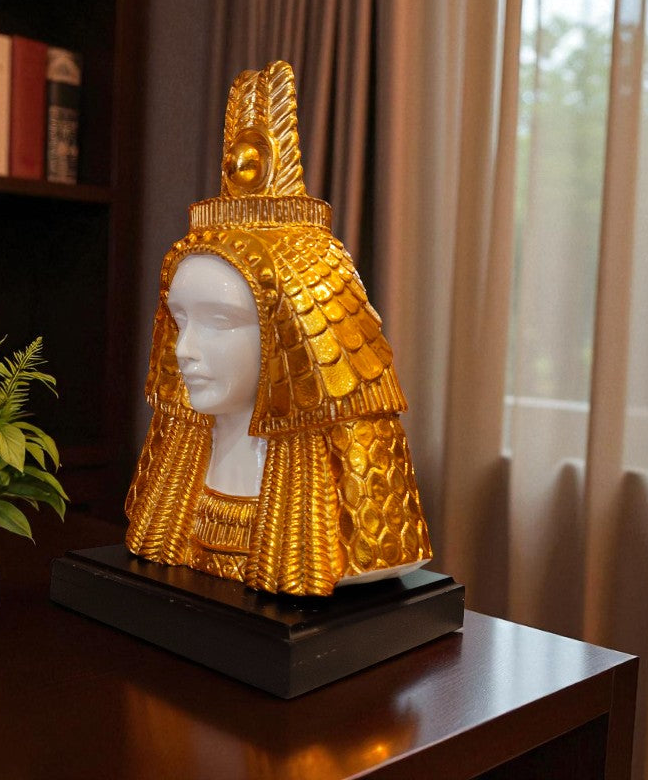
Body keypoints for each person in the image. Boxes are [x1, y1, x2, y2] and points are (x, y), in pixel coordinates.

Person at [125, 60, 432, 595]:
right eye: (179, 321)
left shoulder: (355, 500)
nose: (185, 351)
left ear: (298, 338)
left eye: (221, 321)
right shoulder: (181, 455)